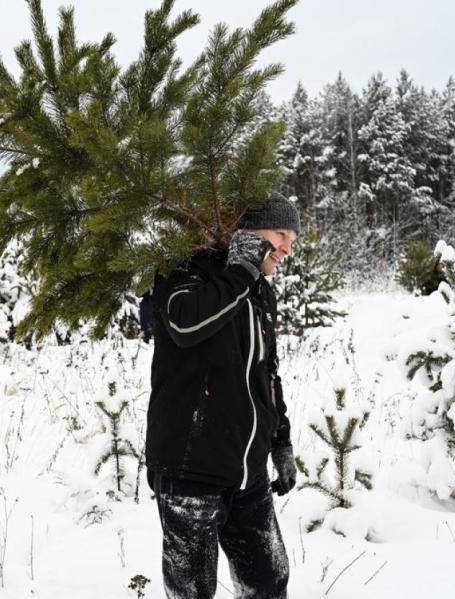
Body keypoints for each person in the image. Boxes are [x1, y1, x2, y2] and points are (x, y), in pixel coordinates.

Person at [145, 191, 300, 599]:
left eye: (293, 239)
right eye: (280, 233)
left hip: (248, 472)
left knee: (269, 583)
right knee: (193, 592)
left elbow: (267, 373)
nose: (286, 248)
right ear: (247, 232)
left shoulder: (262, 292)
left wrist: (280, 442)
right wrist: (242, 271)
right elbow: (184, 325)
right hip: (191, 470)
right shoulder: (186, 270)